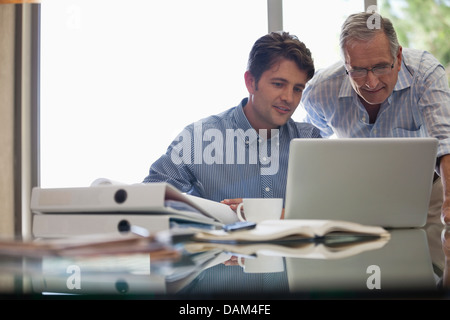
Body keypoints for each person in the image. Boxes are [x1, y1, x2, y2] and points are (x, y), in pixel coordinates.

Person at [300, 12, 450, 226]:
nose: (371, 83)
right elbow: (305, 151)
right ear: (345, 65)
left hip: (427, 191)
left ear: (398, 58)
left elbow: (446, 141)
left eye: (380, 67)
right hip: (360, 194)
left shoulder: (425, 74)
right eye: (358, 70)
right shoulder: (320, 91)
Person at [143, 31, 321, 211]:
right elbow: (147, 200)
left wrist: (277, 214)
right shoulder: (198, 139)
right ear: (251, 82)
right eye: (278, 84)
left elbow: (333, 207)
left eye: (298, 89)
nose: (289, 98)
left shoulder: (310, 140)